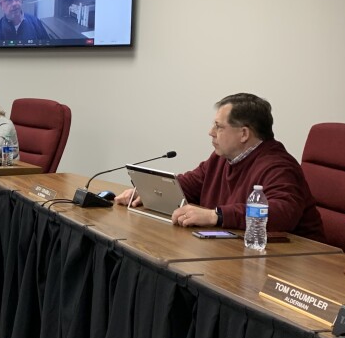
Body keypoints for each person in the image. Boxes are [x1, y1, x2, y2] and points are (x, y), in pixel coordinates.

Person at [115, 93, 323, 240]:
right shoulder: (221, 158)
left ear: (243, 134)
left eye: (219, 127)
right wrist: (147, 192)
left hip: (295, 263)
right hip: (238, 252)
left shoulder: (278, 166)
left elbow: (282, 213)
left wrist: (217, 215)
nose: (210, 132)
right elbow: (188, 184)